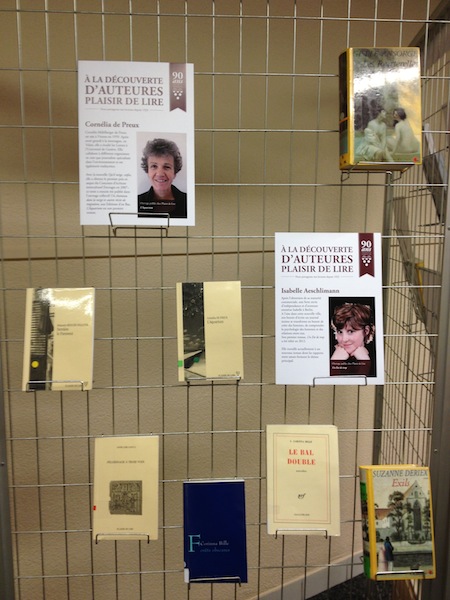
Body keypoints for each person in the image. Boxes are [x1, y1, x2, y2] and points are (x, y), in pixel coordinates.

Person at [137, 138, 187, 218]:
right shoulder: (136, 202)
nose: (160, 174)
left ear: (174, 173)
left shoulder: (188, 201)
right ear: (147, 171)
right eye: (154, 166)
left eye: (167, 167)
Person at [330, 302, 375, 376]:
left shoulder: (376, 357)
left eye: (350, 331)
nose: (344, 339)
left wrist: (365, 363)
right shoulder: (329, 353)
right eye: (340, 332)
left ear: (366, 331)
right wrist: (334, 363)